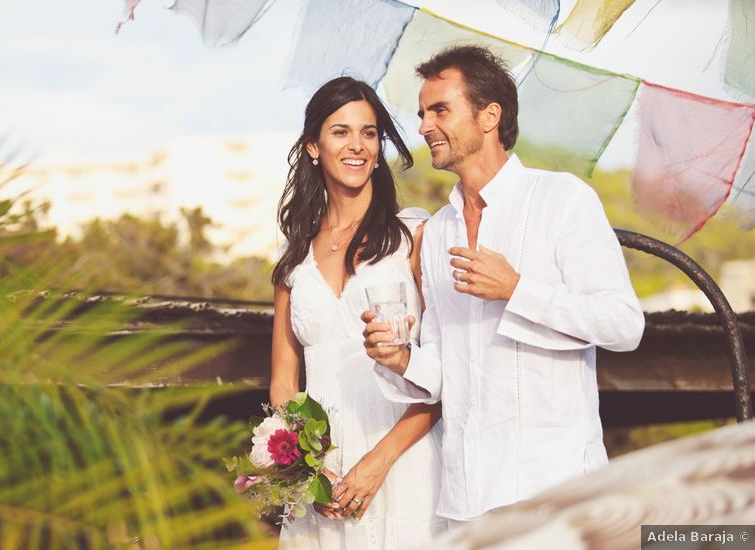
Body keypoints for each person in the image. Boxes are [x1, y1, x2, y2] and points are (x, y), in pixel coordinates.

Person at [364, 45, 645, 527]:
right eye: (422, 113)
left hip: (554, 494)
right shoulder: (438, 233)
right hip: (464, 503)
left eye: (440, 110)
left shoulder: (563, 199)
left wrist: (516, 288)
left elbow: (624, 326)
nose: (424, 126)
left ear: (489, 116)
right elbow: (444, 367)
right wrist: (401, 359)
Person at [270, 76, 447, 548]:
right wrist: (308, 473)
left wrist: (379, 460)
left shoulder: (414, 237)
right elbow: (285, 382)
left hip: (402, 460)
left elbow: (445, 367)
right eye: (340, 131)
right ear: (313, 145)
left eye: (369, 133)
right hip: (323, 471)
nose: (358, 146)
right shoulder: (292, 257)